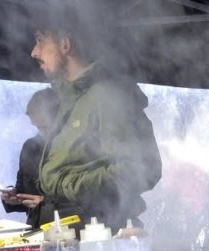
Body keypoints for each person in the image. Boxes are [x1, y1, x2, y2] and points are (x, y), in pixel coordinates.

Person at [30, 3, 162, 231]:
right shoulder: (73, 99)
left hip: (99, 239)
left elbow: (143, 169)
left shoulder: (107, 96)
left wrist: (62, 183)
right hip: (75, 237)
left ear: (65, 45)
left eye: (41, 40)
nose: (34, 52)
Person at [0, 88, 59, 228]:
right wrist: (13, 197)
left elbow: (86, 200)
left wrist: (44, 203)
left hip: (65, 228)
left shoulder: (74, 149)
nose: (42, 132)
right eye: (37, 127)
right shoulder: (29, 147)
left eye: (45, 127)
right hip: (35, 228)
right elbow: (23, 191)